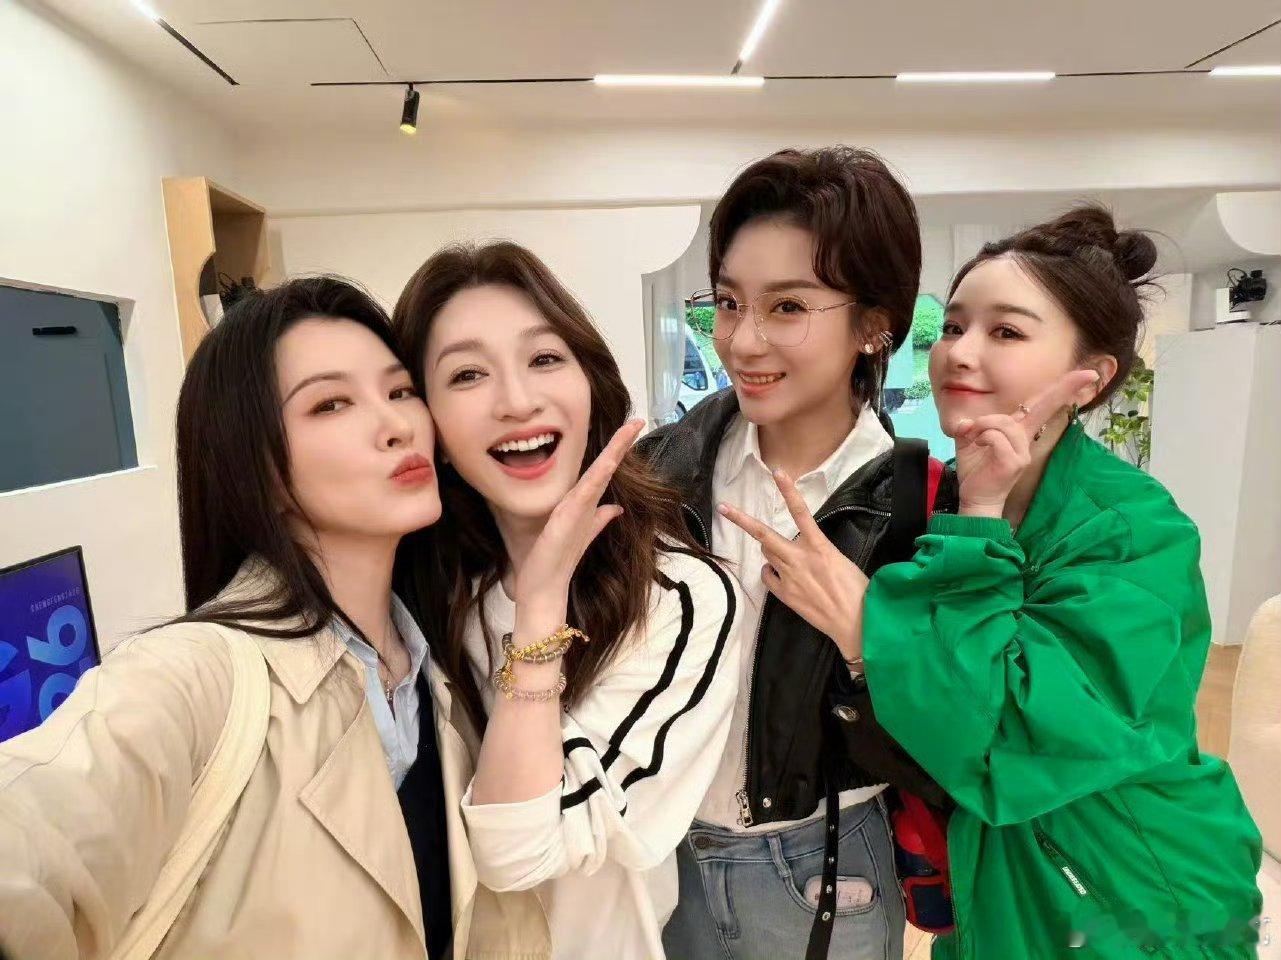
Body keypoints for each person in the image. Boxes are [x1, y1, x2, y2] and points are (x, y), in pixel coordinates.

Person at [0, 278, 533, 959]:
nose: (397, 424)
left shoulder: (440, 668)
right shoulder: (194, 675)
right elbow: (32, 838)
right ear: (253, 464)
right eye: (330, 404)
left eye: (400, 391)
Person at [849, 206, 1261, 957]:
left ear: (1090, 378)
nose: (958, 353)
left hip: (1127, 882)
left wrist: (967, 530)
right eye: (953, 326)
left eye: (1006, 332)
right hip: (999, 876)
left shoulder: (1131, 527)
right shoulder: (941, 499)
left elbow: (1001, 737)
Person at [645, 146, 957, 960]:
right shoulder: (659, 469)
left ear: (874, 324)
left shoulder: (923, 510)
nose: (741, 341)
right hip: (655, 858)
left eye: (787, 307)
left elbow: (948, 758)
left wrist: (865, 642)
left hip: (820, 868)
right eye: (727, 302)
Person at [392, 241, 744, 960]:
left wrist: (541, 605)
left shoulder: (681, 601)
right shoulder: (425, 588)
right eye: (466, 374)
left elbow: (517, 852)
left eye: (545, 358)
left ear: (591, 387)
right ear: (431, 427)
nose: (516, 401)